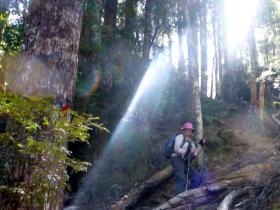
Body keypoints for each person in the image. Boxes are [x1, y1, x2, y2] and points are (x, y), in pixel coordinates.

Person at [170, 122, 206, 195]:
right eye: (187, 130)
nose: (189, 131)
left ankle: (190, 193)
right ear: (183, 130)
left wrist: (201, 145)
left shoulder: (191, 141)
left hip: (185, 161)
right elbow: (176, 149)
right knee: (181, 179)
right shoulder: (180, 137)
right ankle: (179, 199)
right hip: (177, 159)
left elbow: (194, 153)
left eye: (190, 130)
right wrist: (186, 151)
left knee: (197, 176)